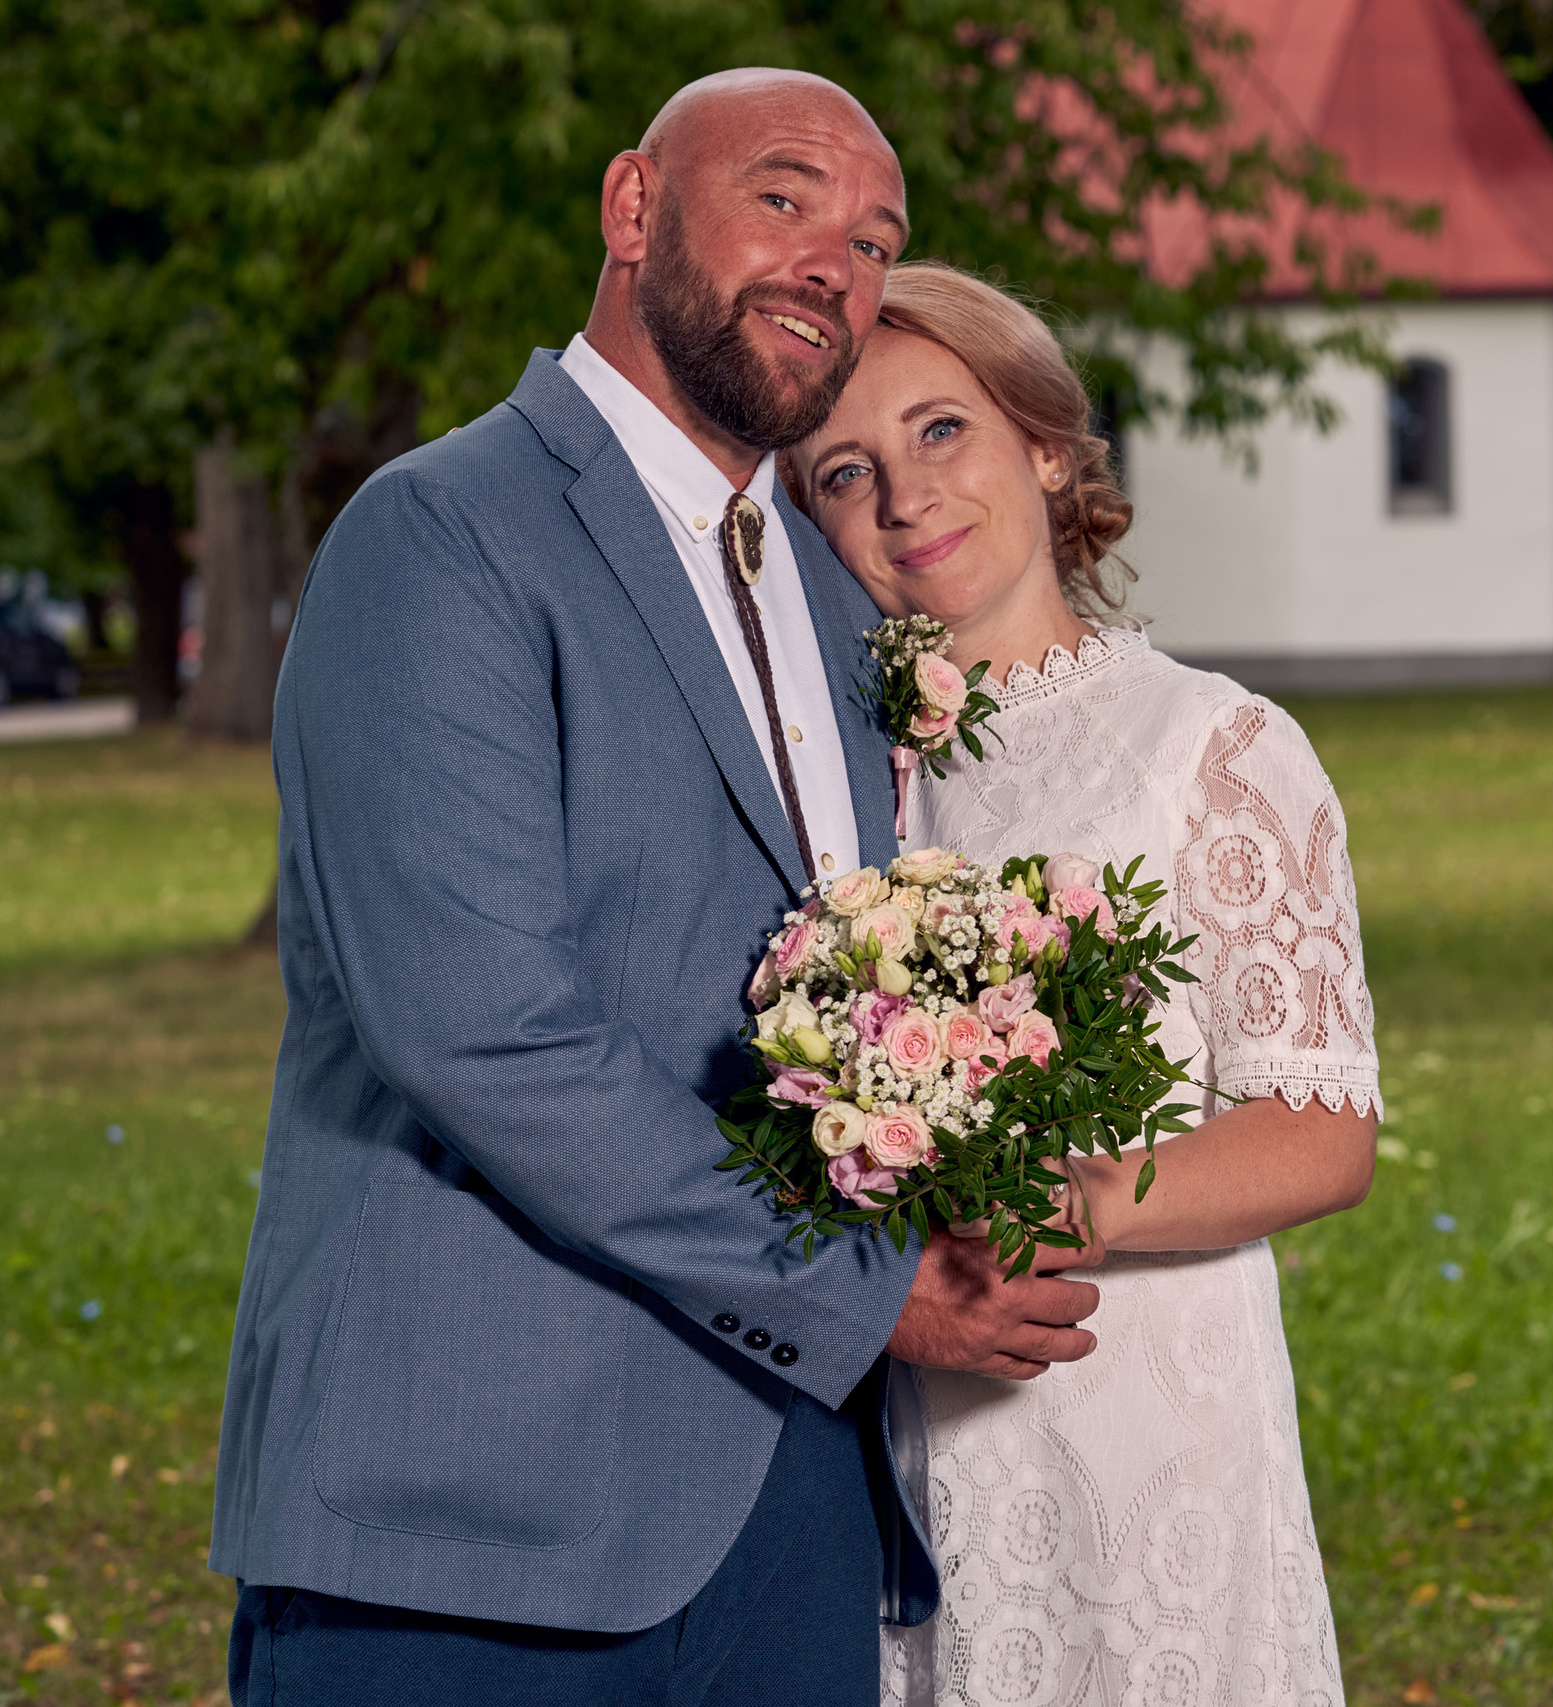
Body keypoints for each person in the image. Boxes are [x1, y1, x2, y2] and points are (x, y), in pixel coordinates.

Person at [211, 73, 1105, 1707]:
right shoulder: (440, 539)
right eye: (783, 199)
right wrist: (869, 1290)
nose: (834, 261)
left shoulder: (845, 605)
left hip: (787, 1520)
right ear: (634, 210)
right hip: (469, 1526)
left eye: (875, 237)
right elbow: (486, 1036)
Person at [787, 262, 1380, 1707]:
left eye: (943, 432)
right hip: (895, 1399)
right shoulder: (829, 777)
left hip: (1137, 1391)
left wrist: (1053, 1204)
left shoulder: (1210, 745)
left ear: (1045, 446)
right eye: (844, 470)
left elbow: (1320, 1130)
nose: (904, 497)